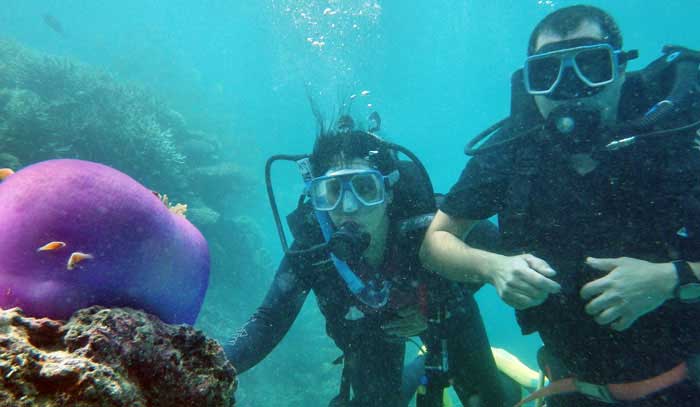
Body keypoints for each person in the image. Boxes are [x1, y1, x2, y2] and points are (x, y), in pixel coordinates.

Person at [420, 5, 700, 407]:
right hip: (572, 390)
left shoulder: (678, 140)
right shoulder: (513, 151)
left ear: (620, 69)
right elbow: (436, 242)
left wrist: (669, 278)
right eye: (548, 73)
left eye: (591, 64)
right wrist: (493, 267)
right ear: (530, 83)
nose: (571, 87)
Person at [224, 113, 516, 406]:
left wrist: (432, 304)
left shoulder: (429, 225)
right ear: (317, 198)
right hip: (370, 333)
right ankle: (417, 368)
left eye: (365, 188)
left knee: (491, 402)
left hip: (444, 316)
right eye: (333, 191)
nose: (349, 207)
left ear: (388, 192)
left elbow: (505, 256)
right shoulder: (313, 249)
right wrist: (211, 364)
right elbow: (268, 320)